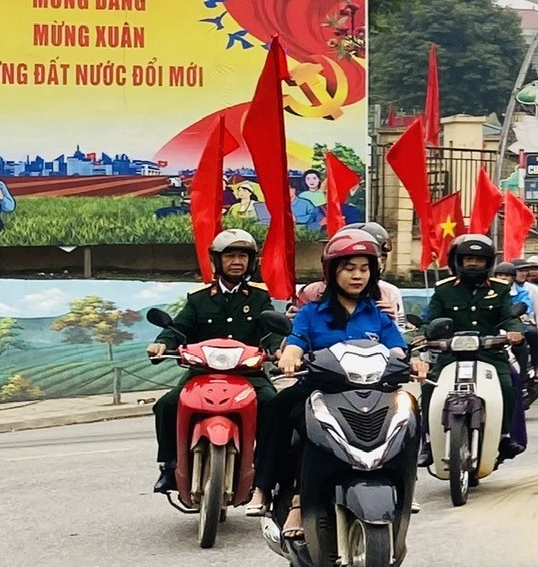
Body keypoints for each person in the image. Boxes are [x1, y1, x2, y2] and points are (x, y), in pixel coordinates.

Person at [278, 227, 420, 542]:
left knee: (409, 412)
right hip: (323, 391)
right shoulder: (312, 312)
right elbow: (296, 341)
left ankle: (405, 482)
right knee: (294, 420)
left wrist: (414, 363)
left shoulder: (379, 315)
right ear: (333, 271)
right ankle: (294, 499)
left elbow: (397, 350)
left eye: (364, 269)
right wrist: (290, 357)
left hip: (373, 391)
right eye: (349, 268)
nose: (357, 276)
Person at [148, 228, 286, 498]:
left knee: (273, 406)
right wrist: (162, 343)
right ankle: (169, 466)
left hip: (248, 374)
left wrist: (278, 350)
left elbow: (271, 331)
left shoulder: (259, 298)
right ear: (217, 260)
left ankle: (266, 469)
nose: (237, 262)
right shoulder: (198, 299)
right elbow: (179, 328)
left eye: (243, 257)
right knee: (166, 405)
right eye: (230, 256)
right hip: (202, 374)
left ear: (251, 262)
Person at [421, 233, 531, 460]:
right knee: (429, 388)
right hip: (451, 355)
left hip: (490, 353)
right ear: (459, 261)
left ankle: (504, 437)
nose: (473, 263)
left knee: (507, 385)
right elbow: (429, 320)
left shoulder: (500, 289)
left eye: (479, 260)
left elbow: (509, 316)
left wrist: (515, 331)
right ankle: (429, 442)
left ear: (488, 263)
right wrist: (421, 335)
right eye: (468, 259)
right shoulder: (444, 289)